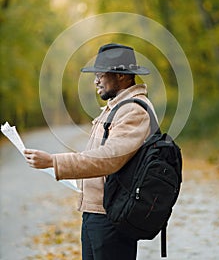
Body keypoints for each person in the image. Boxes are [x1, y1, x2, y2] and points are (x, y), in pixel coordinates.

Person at [24, 43, 158, 260]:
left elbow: (109, 159)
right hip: (98, 212)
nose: (96, 80)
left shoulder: (133, 110)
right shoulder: (118, 107)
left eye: (101, 74)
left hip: (111, 216)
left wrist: (53, 161)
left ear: (123, 76)